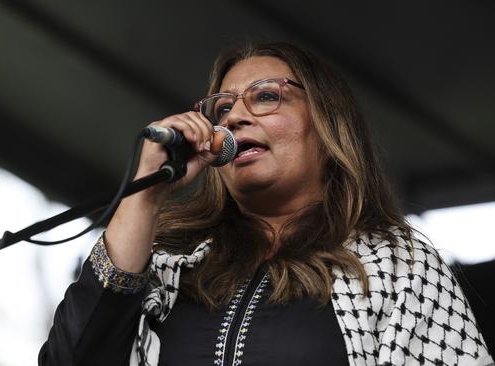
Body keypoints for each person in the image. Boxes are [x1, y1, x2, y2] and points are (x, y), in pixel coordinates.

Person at [38, 42, 493, 366]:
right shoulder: (167, 260)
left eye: (267, 96)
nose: (234, 116)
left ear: (328, 127)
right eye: (223, 109)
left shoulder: (396, 264)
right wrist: (146, 195)